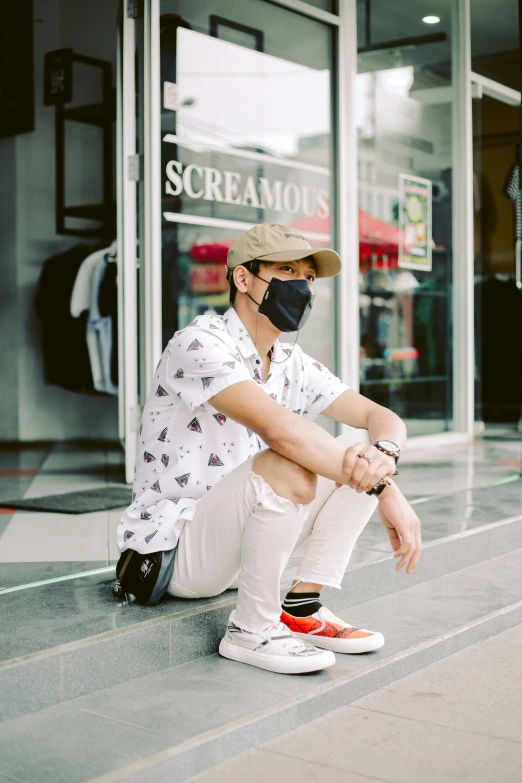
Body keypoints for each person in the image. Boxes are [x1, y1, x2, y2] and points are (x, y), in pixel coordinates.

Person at [117, 224, 422, 675]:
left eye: (308, 278)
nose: (301, 287)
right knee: (291, 463)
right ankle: (252, 630)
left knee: (361, 445)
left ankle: (301, 607)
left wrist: (386, 454)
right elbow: (283, 433)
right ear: (243, 279)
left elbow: (381, 418)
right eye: (286, 271)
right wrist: (386, 492)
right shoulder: (198, 343)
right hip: (171, 553)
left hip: (234, 543)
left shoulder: (288, 361)